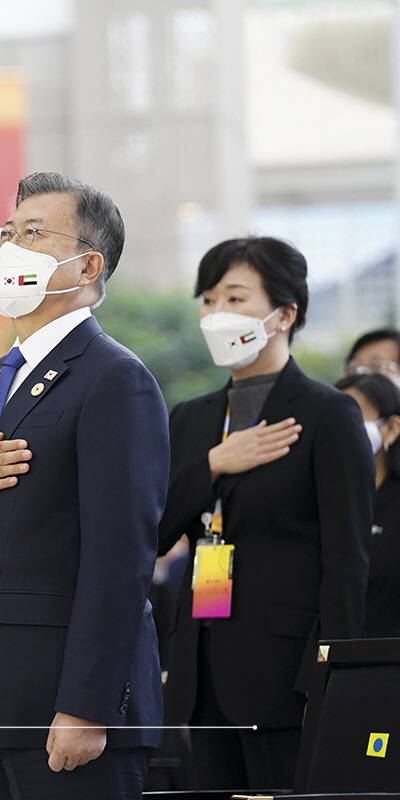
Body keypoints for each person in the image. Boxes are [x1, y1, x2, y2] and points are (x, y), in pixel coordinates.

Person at [0, 172, 169, 800]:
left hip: (59, 703)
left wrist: (87, 705)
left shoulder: (114, 379)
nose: (10, 249)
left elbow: (121, 557)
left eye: (34, 233)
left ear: (87, 264)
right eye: (8, 233)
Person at [158, 236, 372, 791]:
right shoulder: (191, 418)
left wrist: (328, 680)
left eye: (234, 299)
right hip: (200, 671)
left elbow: (347, 561)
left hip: (286, 675)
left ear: (285, 314)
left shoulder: (329, 414)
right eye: (207, 301)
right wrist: (212, 465)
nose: (216, 315)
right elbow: (154, 534)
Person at [335, 371, 400, 638]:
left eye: (353, 417)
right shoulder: (316, 496)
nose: (339, 429)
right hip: (326, 655)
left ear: (391, 428)